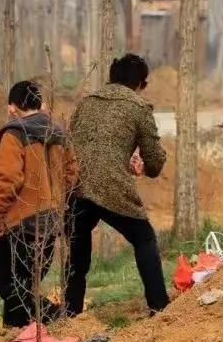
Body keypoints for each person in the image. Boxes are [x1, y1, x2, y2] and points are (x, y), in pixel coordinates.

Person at [65, 54, 169, 317]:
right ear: (141, 84)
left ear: (111, 77)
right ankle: (159, 306)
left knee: (78, 247)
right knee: (144, 238)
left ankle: (70, 312)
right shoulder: (138, 107)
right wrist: (145, 167)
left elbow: (76, 142)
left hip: (76, 186)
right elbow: (155, 160)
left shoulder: (86, 102)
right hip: (111, 186)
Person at [0, 81, 77, 327]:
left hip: (19, 223)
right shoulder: (59, 133)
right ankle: (16, 331)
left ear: (12, 107)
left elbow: (8, 181)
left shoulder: (14, 135)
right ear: (41, 104)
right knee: (26, 282)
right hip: (50, 220)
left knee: (7, 282)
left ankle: (54, 314)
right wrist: (57, 199)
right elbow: (71, 174)